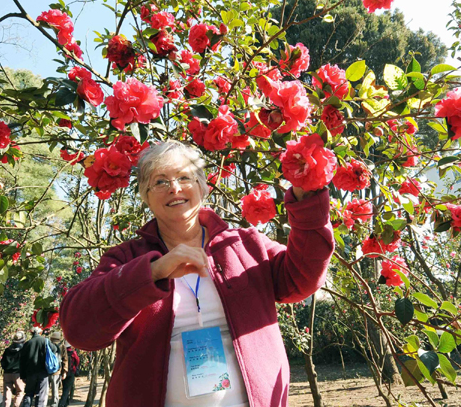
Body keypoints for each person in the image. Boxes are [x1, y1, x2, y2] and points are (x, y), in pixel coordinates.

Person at [60, 141, 335, 407]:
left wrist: (307, 199)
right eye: (160, 182)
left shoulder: (246, 245)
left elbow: (303, 276)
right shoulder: (126, 259)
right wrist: (153, 271)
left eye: (184, 177)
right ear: (145, 195)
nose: (174, 188)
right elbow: (81, 330)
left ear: (202, 186)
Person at [20, 327, 51, 407]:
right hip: (43, 373)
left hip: (30, 373)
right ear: (41, 333)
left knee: (29, 393)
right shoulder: (45, 341)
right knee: (41, 394)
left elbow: (22, 361)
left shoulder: (27, 343)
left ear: (31, 333)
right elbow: (55, 349)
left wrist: (23, 375)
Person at [1, 331, 27, 407]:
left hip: (7, 373)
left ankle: (6, 405)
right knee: (20, 391)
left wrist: (6, 368)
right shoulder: (23, 350)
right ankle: (16, 405)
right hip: (18, 374)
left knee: (7, 392)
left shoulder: (7, 350)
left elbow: (2, 362)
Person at [48, 331, 68, 407]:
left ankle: (44, 402)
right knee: (55, 389)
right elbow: (65, 359)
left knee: (45, 389)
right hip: (57, 371)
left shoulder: (48, 345)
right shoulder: (62, 346)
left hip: (46, 371)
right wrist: (64, 372)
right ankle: (54, 404)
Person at [58, 343, 79, 407]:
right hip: (71, 371)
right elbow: (77, 361)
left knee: (64, 387)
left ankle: (65, 404)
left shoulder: (62, 352)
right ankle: (61, 404)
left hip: (63, 372)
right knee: (67, 389)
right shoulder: (73, 352)